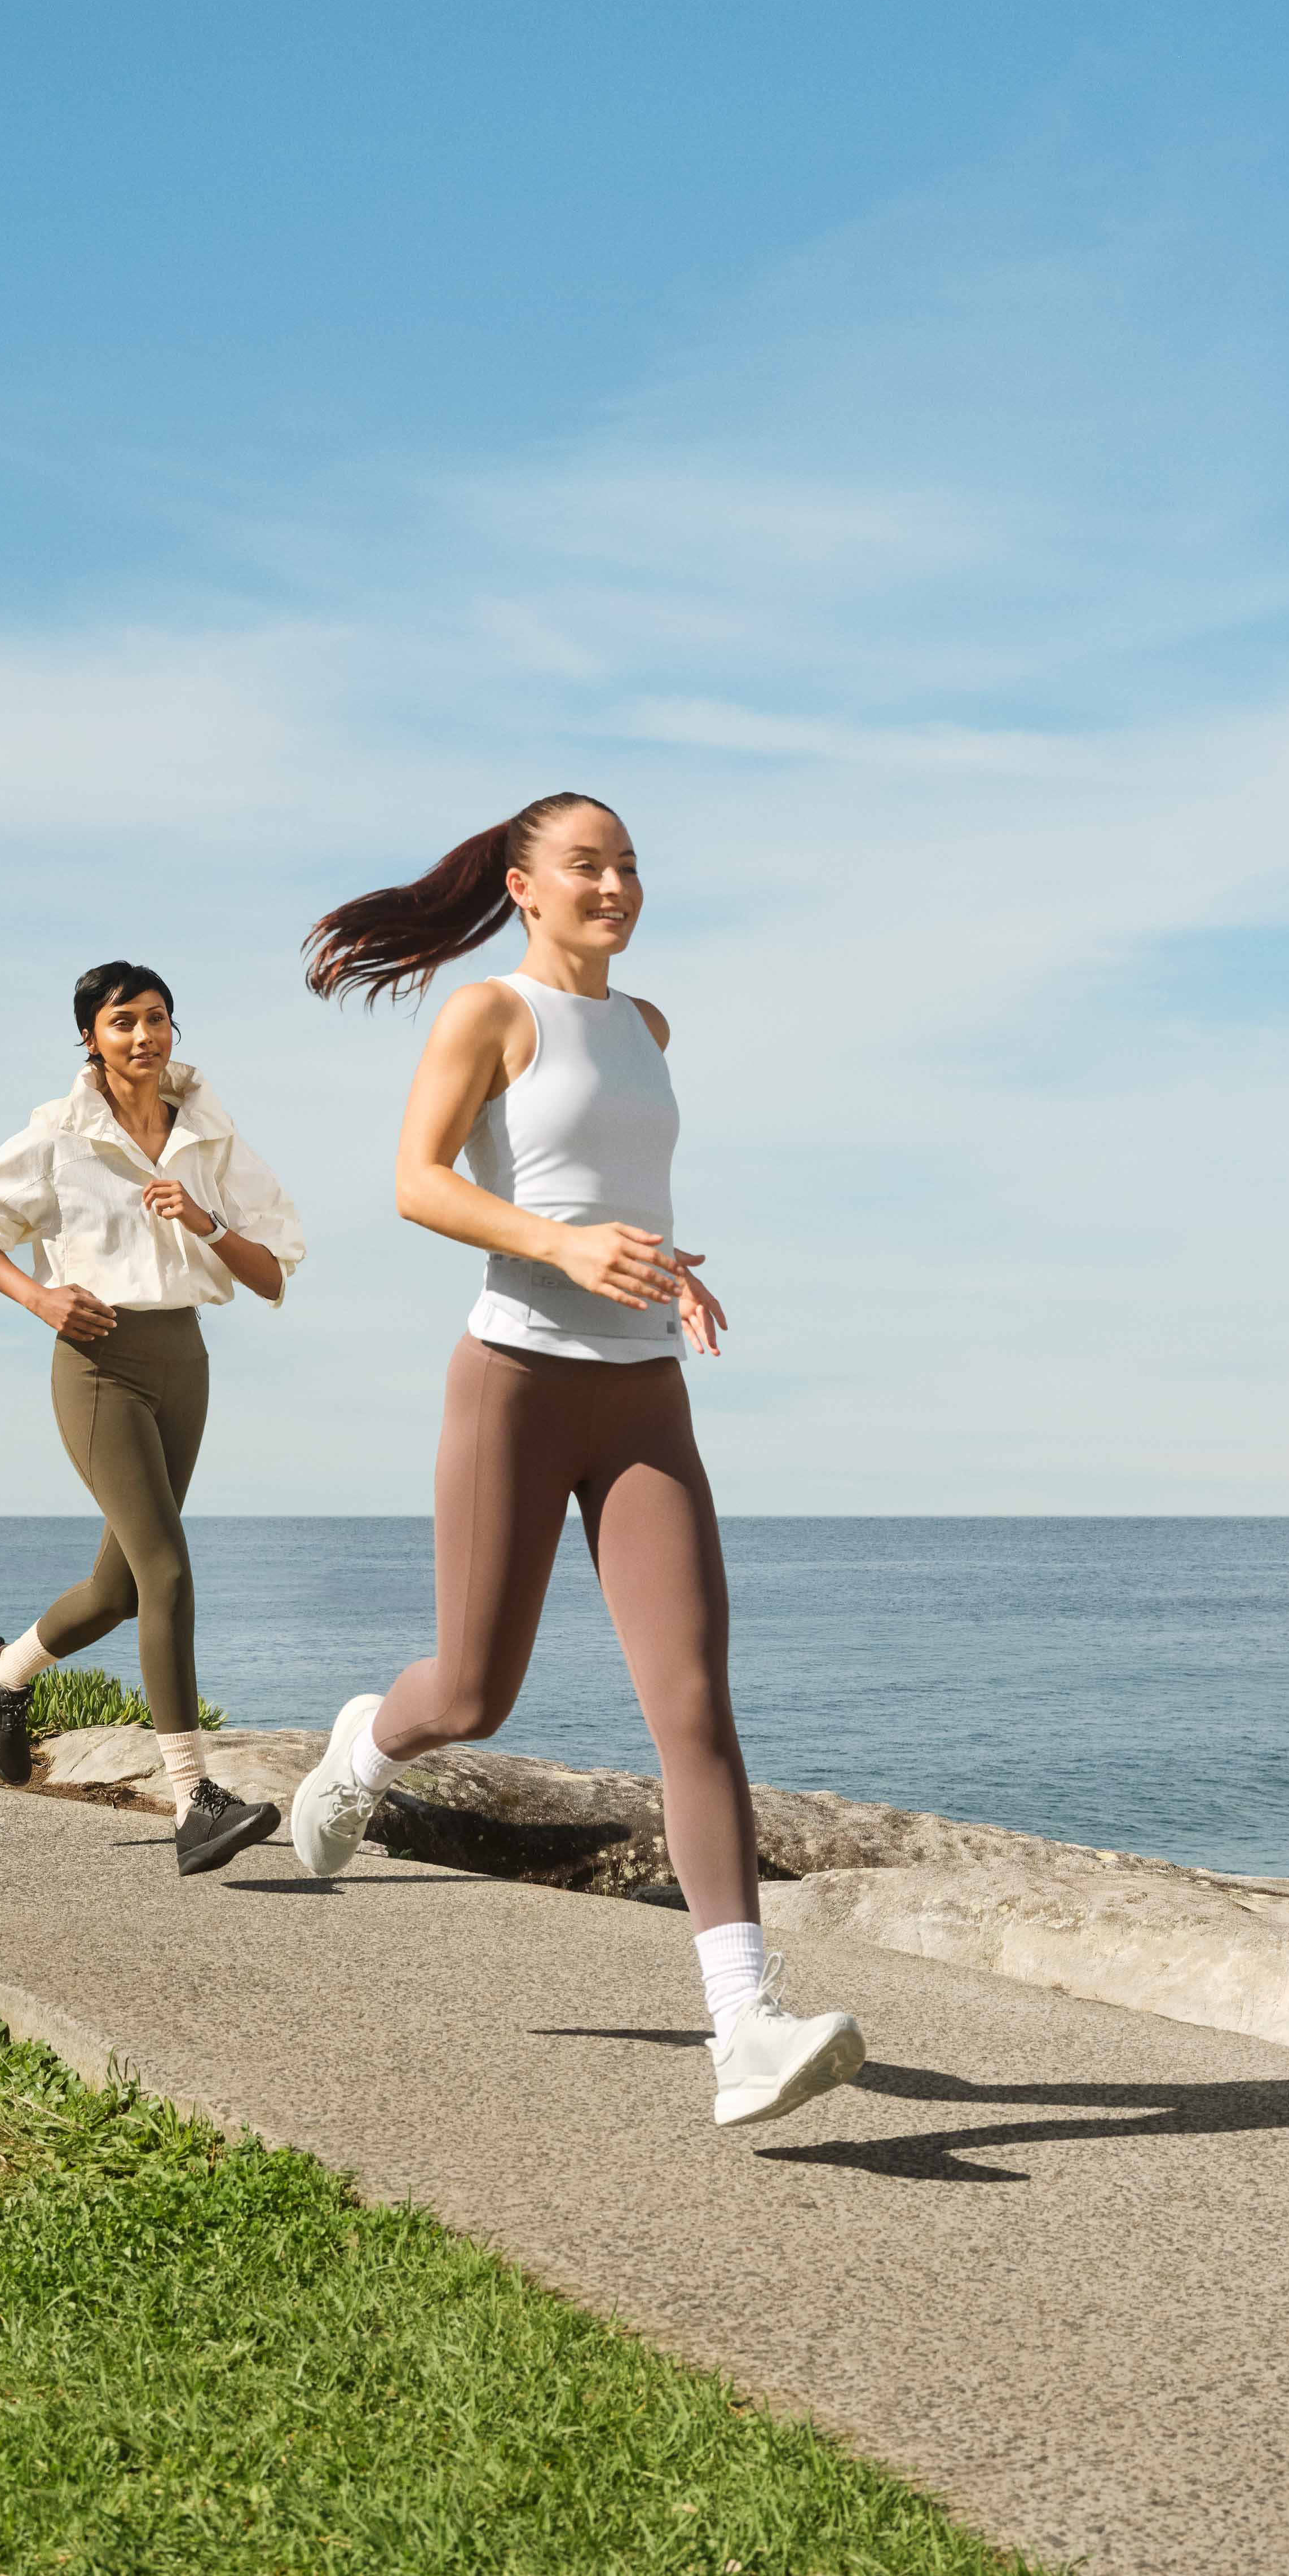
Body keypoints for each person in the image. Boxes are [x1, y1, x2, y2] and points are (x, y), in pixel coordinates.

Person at [285, 793, 865, 2129]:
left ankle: (744, 2029)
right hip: (515, 1388)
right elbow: (418, 1182)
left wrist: (664, 1271)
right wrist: (564, 1249)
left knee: (694, 1703)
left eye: (630, 865)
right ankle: (367, 1749)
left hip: (643, 1394)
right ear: (524, 886)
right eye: (586, 865)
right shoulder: (491, 1015)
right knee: (474, 1697)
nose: (615, 885)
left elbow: (619, 1196)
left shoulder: (648, 1028)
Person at [0, 961, 306, 1875]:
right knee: (166, 1571)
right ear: (90, 1039)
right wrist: (41, 1300)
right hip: (99, 1366)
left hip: (184, 1361)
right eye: (122, 1024)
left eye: (157, 1020)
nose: (144, 1037)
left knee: (116, 1592)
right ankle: (195, 1801)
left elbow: (273, 1273)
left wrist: (206, 1221)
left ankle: (1, 1674)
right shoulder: (60, 1137)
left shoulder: (212, 1139)